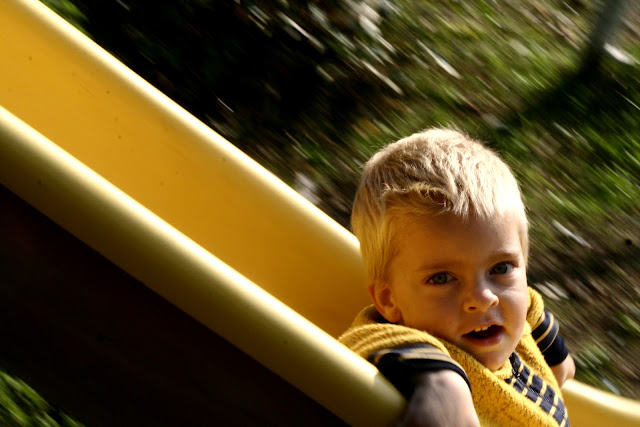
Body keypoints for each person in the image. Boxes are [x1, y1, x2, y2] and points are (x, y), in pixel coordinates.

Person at [339, 128, 576, 426]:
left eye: (500, 268)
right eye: (442, 278)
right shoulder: (409, 346)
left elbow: (528, 302)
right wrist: (443, 384)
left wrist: (556, 352)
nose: (483, 297)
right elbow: (367, 342)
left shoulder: (511, 316)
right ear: (389, 300)